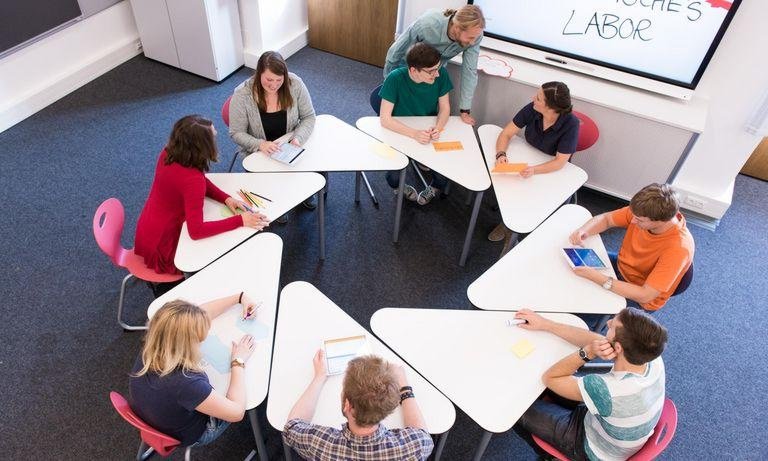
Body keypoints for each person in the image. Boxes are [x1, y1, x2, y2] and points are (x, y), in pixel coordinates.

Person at [513, 307, 667, 461]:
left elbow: (550, 378)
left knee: (515, 410)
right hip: (609, 425)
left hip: (592, 447)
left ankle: (550, 457)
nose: (608, 322)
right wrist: (546, 324)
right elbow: (599, 342)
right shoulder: (651, 358)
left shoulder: (608, 388)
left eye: (612, 325)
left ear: (618, 348)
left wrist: (587, 352)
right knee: (545, 386)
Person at [134, 115, 269, 280]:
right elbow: (196, 231)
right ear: (201, 146)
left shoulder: (168, 153)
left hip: (148, 230)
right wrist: (241, 221)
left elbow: (195, 181)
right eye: (212, 135)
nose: (217, 134)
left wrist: (226, 198)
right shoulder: (192, 180)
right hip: (165, 246)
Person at [129, 293, 259, 447]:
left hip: (153, 416)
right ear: (186, 345)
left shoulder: (157, 340)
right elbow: (236, 413)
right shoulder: (185, 383)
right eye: (198, 340)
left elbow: (194, 317)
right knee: (250, 392)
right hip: (193, 433)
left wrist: (239, 297)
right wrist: (238, 361)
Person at [283, 351, 434, 460]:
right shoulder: (413, 447)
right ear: (389, 407)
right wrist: (404, 385)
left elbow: (291, 427)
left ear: (347, 405)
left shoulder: (320, 444)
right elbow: (422, 435)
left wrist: (319, 377)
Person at [569, 183, 695, 312]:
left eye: (639, 220)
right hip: (622, 265)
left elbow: (645, 295)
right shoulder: (644, 211)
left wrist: (596, 277)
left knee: (580, 309)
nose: (633, 221)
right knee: (570, 264)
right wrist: (584, 231)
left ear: (661, 221)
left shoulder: (678, 249)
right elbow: (607, 219)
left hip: (638, 296)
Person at [488, 81, 580, 244]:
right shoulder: (532, 108)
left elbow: (559, 162)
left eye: (538, 98)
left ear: (551, 107)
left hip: (550, 169)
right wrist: (500, 154)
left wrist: (534, 170)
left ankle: (517, 230)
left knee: (531, 197)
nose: (533, 98)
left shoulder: (571, 124)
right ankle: (509, 224)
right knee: (510, 187)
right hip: (529, 157)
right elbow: (506, 134)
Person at [229, 51, 317, 212]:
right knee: (274, 201)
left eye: (279, 80)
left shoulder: (294, 84)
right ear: (258, 74)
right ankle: (277, 202)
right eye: (269, 79)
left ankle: (299, 192)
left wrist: (298, 138)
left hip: (289, 143)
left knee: (311, 166)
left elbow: (309, 117)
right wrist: (260, 144)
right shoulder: (242, 95)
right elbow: (236, 133)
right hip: (259, 151)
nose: (274, 85)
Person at [384, 5, 485, 125]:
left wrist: (465, 110)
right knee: (397, 112)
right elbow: (395, 53)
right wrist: (388, 83)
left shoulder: (475, 36)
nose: (473, 42)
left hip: (432, 73)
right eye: (470, 37)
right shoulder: (427, 24)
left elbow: (469, 71)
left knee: (423, 112)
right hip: (407, 68)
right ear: (457, 28)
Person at [380, 42, 452, 205]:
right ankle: (399, 187)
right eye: (431, 71)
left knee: (444, 172)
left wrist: (438, 128)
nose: (437, 74)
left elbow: (445, 107)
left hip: (428, 129)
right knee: (393, 176)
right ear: (413, 70)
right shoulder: (395, 78)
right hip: (401, 130)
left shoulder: (441, 75)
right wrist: (414, 134)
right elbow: (385, 119)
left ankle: (434, 188)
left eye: (438, 68)